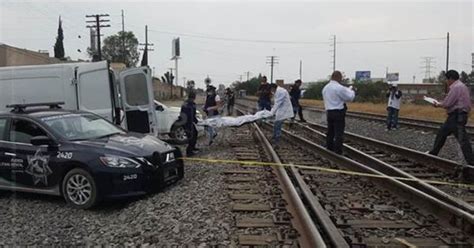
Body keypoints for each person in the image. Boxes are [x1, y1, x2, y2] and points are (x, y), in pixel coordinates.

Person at [429, 70, 474, 172]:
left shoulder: (455, 87)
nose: (446, 82)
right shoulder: (463, 86)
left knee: (462, 140)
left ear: (450, 79)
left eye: (446, 79)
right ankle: (433, 153)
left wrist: (437, 104)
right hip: (459, 115)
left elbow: (448, 103)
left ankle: (471, 161)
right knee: (442, 132)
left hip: (456, 116)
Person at [322, 71, 356, 155]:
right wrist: (352, 91)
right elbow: (349, 98)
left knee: (330, 132)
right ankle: (338, 151)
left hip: (329, 112)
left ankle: (329, 148)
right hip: (338, 112)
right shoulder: (339, 87)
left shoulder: (325, 88)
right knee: (338, 133)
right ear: (338, 77)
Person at [269, 83, 294, 148]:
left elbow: (278, 103)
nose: (272, 91)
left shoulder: (281, 92)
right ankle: (275, 137)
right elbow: (276, 103)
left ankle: (277, 139)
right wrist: (273, 111)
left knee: (277, 124)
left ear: (273, 88)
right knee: (276, 124)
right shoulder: (278, 91)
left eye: (271, 89)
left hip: (284, 110)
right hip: (281, 110)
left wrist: (271, 112)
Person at [179, 91, 199, 156]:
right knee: (191, 137)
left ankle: (193, 147)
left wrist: (197, 121)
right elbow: (186, 115)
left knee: (195, 133)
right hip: (186, 123)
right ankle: (189, 152)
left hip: (190, 122)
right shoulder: (187, 104)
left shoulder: (192, 104)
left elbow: (193, 114)